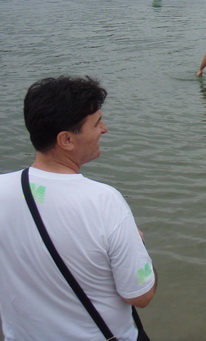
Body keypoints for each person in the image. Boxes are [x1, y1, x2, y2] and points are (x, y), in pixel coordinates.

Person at [0, 76, 157, 341]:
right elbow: (140, 295)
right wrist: (138, 244)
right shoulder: (103, 201)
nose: (104, 129)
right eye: (96, 123)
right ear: (66, 140)